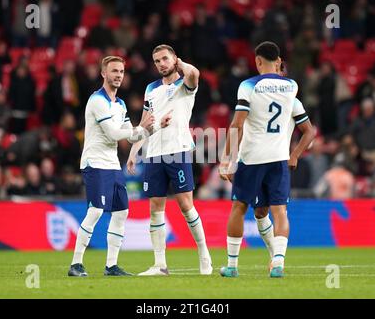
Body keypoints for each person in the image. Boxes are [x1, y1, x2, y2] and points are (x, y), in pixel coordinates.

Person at [68, 56, 171, 277]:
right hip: (95, 163)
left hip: (113, 165)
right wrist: (139, 126)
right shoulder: (97, 101)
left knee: (121, 212)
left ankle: (111, 266)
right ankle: (75, 264)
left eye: (121, 72)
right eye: (114, 71)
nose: (118, 75)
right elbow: (114, 134)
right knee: (95, 211)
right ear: (103, 73)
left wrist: (156, 127)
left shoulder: (120, 104)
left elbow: (134, 137)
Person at [218, 42, 315, 278]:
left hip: (251, 158)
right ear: (280, 60)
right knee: (276, 211)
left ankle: (232, 266)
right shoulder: (292, 87)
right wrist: (294, 155)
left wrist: (226, 160)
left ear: (257, 61)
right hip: (279, 158)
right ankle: (278, 263)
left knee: (239, 207)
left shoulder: (248, 85)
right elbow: (309, 131)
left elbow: (237, 124)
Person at [127, 44, 213, 276]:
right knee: (155, 208)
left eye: (165, 59)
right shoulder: (151, 88)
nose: (161, 64)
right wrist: (135, 150)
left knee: (186, 205)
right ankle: (159, 265)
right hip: (153, 153)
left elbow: (194, 74)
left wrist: (181, 65)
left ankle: (204, 255)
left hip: (178, 149)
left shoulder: (184, 85)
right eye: (157, 61)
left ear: (174, 59)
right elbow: (145, 122)